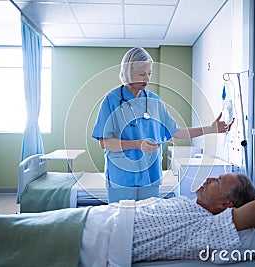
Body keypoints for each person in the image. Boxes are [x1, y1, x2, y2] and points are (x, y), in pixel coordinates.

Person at [92, 47, 235, 203]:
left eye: (149, 73)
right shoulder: (111, 100)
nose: (146, 79)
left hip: (150, 174)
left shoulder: (155, 101)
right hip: (122, 176)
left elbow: (176, 132)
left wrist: (210, 129)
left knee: (150, 221)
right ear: (127, 72)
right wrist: (137, 144)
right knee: (122, 221)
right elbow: (104, 142)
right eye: (141, 74)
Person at [80, 172, 255, 264]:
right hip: (100, 216)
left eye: (218, 181)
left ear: (224, 205)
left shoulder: (208, 225)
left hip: (98, 237)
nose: (208, 179)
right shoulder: (188, 203)